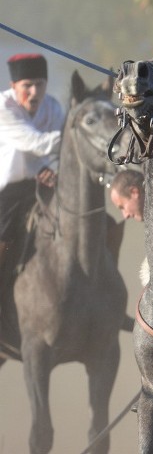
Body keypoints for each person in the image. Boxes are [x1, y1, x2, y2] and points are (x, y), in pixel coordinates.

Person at [0, 54, 63, 319]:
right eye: (27, 85)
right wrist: (79, 134)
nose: (35, 91)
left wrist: (55, 169)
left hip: (43, 184)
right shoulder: (3, 106)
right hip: (8, 191)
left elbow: (59, 155)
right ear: (14, 86)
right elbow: (36, 143)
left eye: (40, 84)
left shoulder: (54, 107)